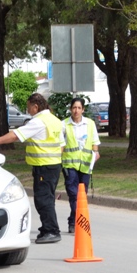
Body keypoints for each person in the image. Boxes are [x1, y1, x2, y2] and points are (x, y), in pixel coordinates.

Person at [0, 93, 65, 244]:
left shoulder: (38, 122)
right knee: (48, 198)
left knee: (43, 200)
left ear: (35, 106)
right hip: (54, 165)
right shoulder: (55, 120)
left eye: (28, 108)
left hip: (44, 166)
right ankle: (48, 229)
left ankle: (51, 230)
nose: (28, 111)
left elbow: (15, 136)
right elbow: (61, 145)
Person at [62, 98, 101, 234]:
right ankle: (74, 223)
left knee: (82, 195)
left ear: (83, 109)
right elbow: (60, 145)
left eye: (79, 108)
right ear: (70, 109)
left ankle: (75, 220)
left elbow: (95, 141)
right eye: (74, 108)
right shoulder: (64, 124)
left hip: (85, 165)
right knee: (73, 194)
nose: (76, 110)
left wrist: (95, 152)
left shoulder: (89, 124)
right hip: (69, 164)